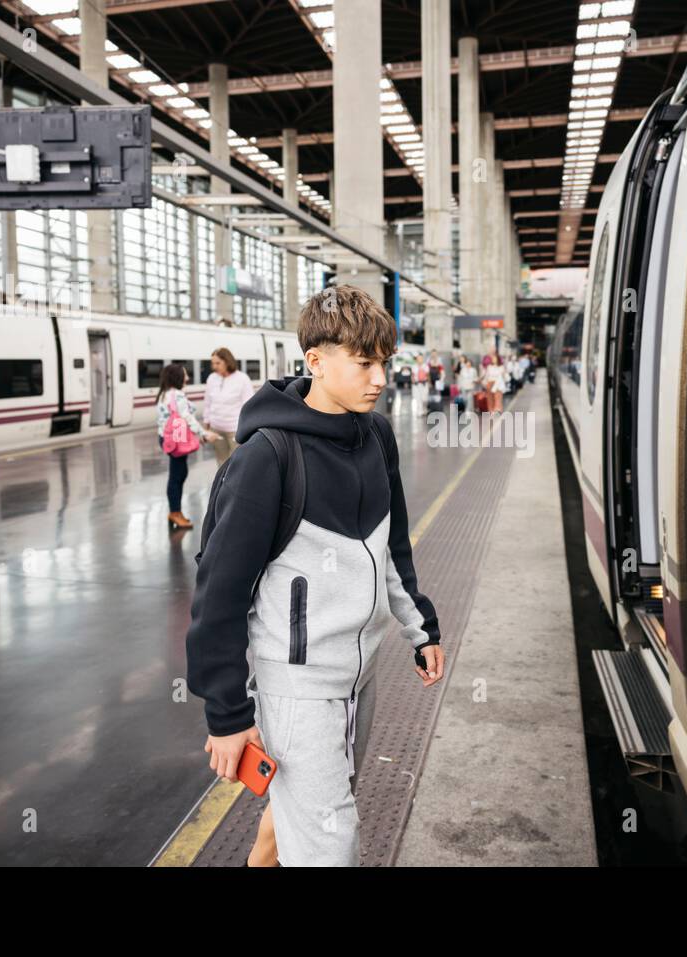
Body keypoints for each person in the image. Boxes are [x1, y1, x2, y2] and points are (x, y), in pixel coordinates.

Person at [185, 284, 445, 868]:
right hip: (298, 688)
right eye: (364, 362)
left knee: (310, 811)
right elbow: (218, 595)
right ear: (316, 361)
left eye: (385, 362)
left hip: (363, 673)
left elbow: (393, 545)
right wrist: (227, 716)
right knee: (331, 841)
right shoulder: (266, 458)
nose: (380, 378)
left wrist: (420, 628)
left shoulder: (376, 435)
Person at [156, 364, 219, 531]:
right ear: (177, 377)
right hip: (175, 439)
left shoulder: (165, 393)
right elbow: (187, 418)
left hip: (166, 437)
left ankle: (175, 511)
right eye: (185, 374)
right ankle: (175, 513)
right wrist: (204, 433)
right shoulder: (177, 395)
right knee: (177, 476)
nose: (187, 378)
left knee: (177, 474)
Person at [204, 347, 256, 465]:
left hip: (235, 430)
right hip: (216, 429)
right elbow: (208, 402)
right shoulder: (212, 378)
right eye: (213, 363)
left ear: (227, 361)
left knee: (236, 464)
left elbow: (249, 405)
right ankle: (222, 484)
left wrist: (248, 429)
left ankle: (235, 484)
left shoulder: (242, 379)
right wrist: (206, 426)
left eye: (218, 363)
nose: (214, 366)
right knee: (221, 463)